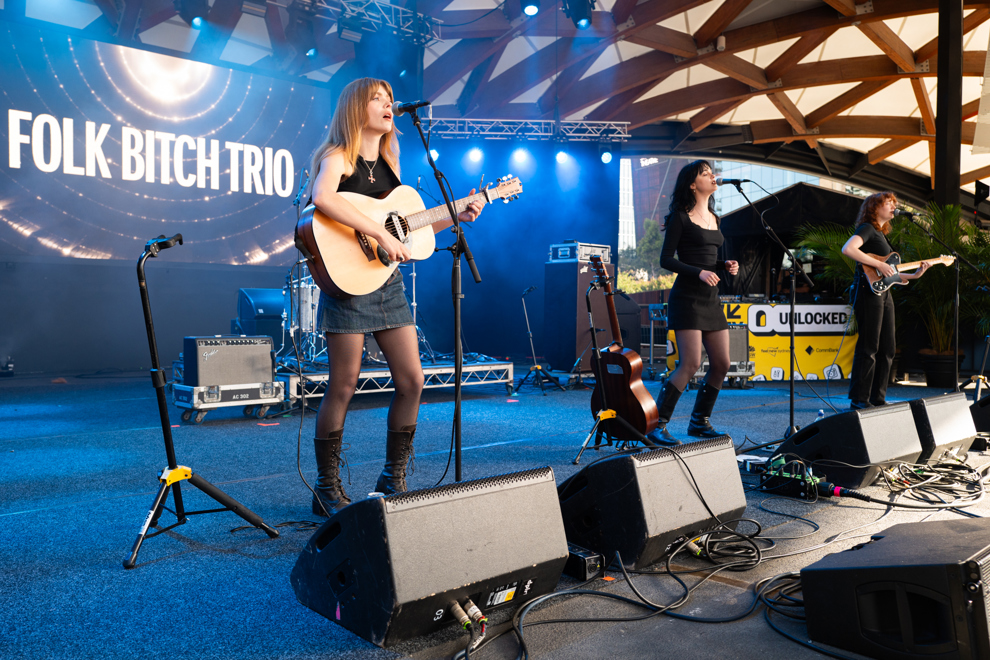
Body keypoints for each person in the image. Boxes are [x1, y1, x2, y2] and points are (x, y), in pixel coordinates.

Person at [306, 78, 484, 516]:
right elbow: (322, 198)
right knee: (344, 384)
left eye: (390, 101)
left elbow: (405, 231)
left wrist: (457, 216)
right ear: (355, 109)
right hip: (346, 281)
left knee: (413, 380)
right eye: (378, 100)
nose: (388, 107)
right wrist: (375, 234)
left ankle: (393, 476)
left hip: (386, 284)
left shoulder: (391, 160)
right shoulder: (337, 156)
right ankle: (326, 488)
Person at [648, 160, 739, 445]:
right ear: (692, 184)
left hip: (710, 300)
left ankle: (699, 422)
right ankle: (656, 424)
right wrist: (698, 272)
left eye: (712, 172)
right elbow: (666, 259)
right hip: (687, 297)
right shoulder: (680, 217)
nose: (712, 176)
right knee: (689, 363)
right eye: (705, 173)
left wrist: (724, 265)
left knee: (722, 363)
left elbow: (709, 259)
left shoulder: (715, 217)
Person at [841, 191, 928, 410]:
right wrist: (878, 264)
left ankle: (877, 398)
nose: (892, 207)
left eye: (893, 204)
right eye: (888, 203)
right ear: (874, 207)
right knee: (869, 346)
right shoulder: (867, 228)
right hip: (866, 292)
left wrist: (914, 275)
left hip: (883, 292)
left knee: (888, 347)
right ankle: (860, 400)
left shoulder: (882, 234)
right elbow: (848, 249)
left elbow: (890, 273)